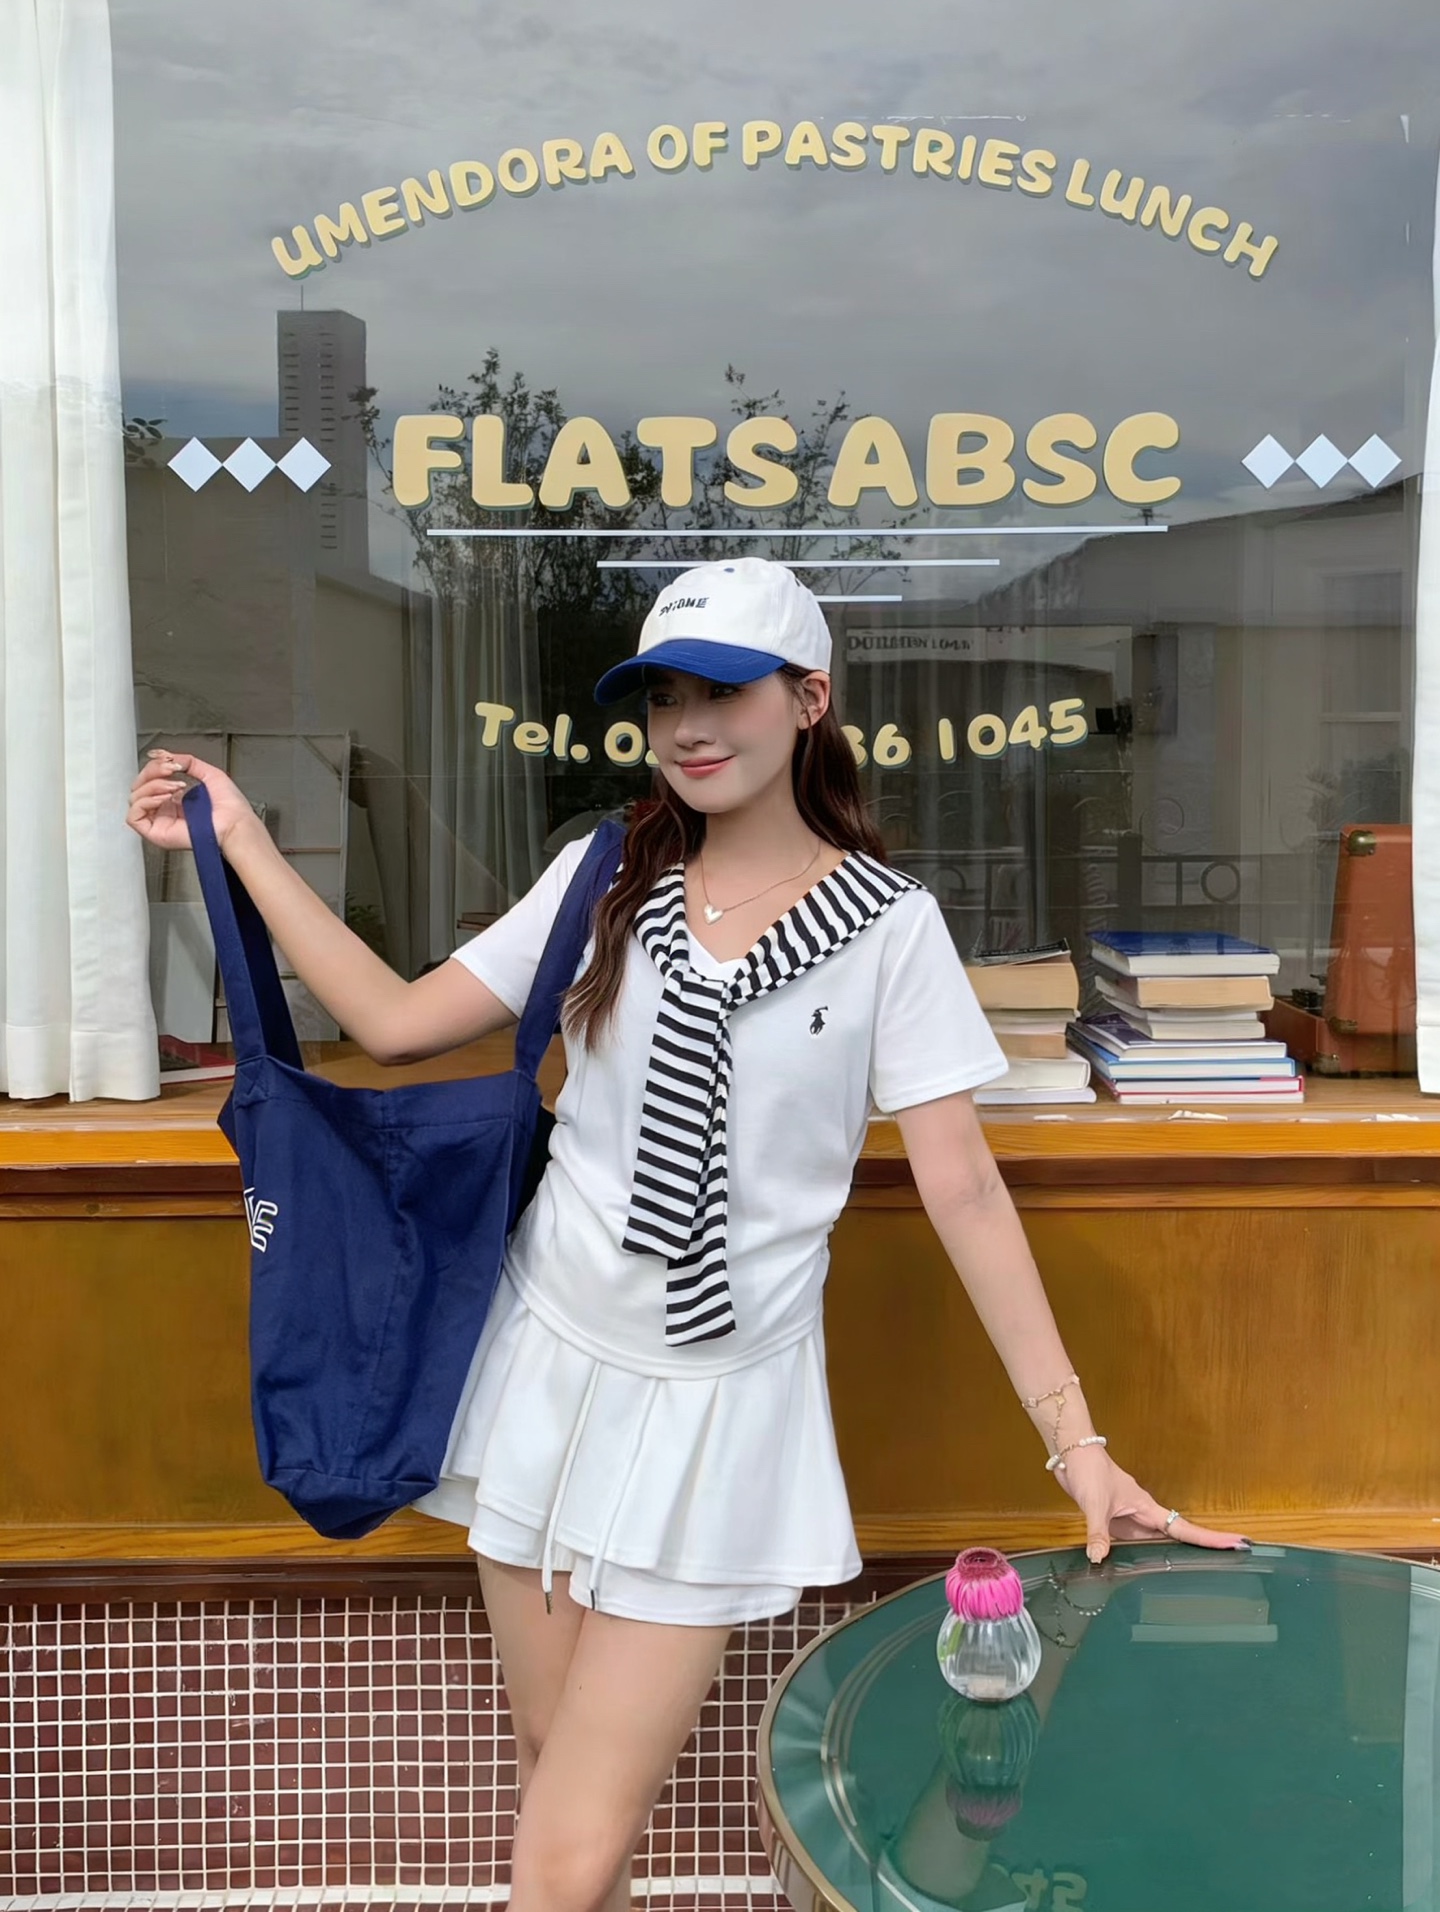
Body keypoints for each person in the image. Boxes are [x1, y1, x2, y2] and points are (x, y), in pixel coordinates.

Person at [127, 557, 1246, 1912]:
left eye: (724, 691)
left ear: (809, 700)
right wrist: (241, 841)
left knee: (567, 1849)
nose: (689, 726)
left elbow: (963, 1192)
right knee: (555, 1786)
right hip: (544, 1370)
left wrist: (1079, 1443)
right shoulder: (604, 879)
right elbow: (396, 1021)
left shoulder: (890, 931)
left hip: (721, 1406)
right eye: (664, 697)